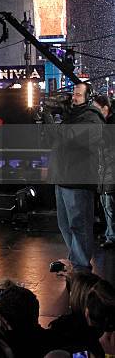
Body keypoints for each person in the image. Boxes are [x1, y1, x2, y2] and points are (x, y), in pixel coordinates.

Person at [48, 82, 105, 271]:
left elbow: (71, 137)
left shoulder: (92, 118)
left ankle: (81, 268)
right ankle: (75, 260)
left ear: (88, 97)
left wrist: (51, 122)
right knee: (65, 225)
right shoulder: (73, 116)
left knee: (79, 225)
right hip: (63, 178)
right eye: (73, 94)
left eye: (78, 94)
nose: (74, 97)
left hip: (78, 180)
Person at [92, 94, 115, 249]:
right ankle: (108, 233)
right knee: (106, 206)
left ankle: (111, 237)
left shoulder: (108, 127)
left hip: (109, 173)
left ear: (105, 109)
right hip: (105, 173)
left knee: (109, 207)